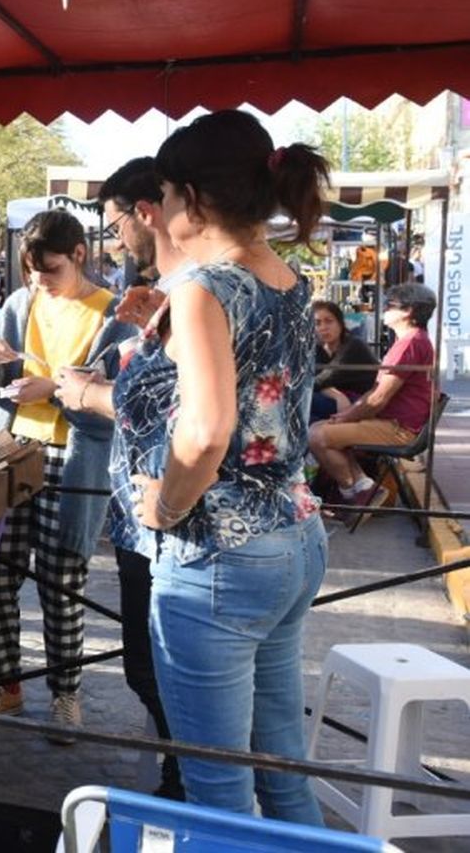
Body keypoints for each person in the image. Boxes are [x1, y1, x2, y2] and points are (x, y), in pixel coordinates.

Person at [108, 109, 329, 825]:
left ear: (192, 198)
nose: (162, 210)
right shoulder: (284, 278)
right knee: (283, 773)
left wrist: (163, 506)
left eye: (167, 194)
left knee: (218, 798)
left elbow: (205, 433)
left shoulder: (207, 286)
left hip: (218, 557)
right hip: (292, 537)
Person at [0, 209, 132, 736]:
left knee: (62, 581)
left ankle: (65, 693)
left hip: (73, 458)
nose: (40, 281)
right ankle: (5, 683)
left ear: (79, 255)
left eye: (50, 270)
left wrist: (53, 390)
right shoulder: (20, 302)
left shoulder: (114, 315)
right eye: (31, 271)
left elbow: (118, 401)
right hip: (13, 449)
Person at [53, 155, 185, 799]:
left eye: (114, 224)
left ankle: (188, 789)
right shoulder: (182, 290)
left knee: (157, 672)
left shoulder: (207, 289)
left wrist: (88, 394)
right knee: (154, 672)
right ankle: (188, 778)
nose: (116, 240)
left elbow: (193, 415)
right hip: (161, 520)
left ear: (146, 211)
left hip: (173, 525)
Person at [309, 283, 437, 507]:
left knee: (316, 436)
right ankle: (363, 488)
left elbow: (379, 398)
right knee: (319, 427)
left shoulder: (410, 344)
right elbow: (375, 391)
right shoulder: (411, 341)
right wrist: (347, 413)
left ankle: (351, 494)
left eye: (390, 305)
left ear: (408, 312)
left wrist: (347, 416)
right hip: (393, 422)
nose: (384, 309)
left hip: (398, 428)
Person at [308, 300, 379, 424]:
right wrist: (337, 395)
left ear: (340, 323)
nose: (323, 328)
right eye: (317, 323)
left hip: (362, 402)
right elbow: (315, 378)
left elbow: (322, 379)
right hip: (340, 399)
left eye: (329, 321)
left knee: (303, 401)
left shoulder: (353, 345)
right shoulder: (318, 348)